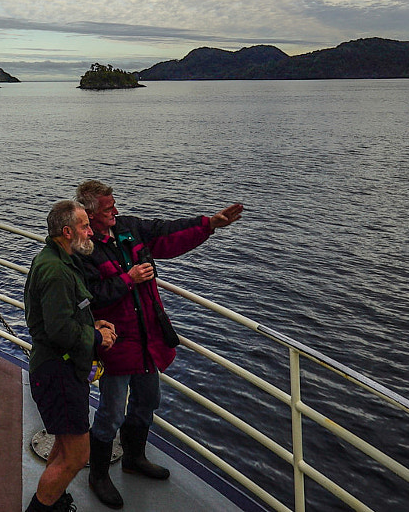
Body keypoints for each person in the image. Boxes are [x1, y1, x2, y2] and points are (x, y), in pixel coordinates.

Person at [74, 180, 244, 509]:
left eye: (114, 205)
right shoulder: (83, 247)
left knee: (148, 400)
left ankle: (134, 458)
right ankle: (98, 475)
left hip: (149, 340)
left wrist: (208, 224)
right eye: (109, 209)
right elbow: (90, 296)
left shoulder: (129, 229)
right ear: (91, 214)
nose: (116, 211)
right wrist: (129, 279)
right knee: (110, 413)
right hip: (117, 345)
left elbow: (167, 233)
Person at [24, 198, 118, 512]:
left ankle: (54, 499)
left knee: (65, 448)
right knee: (77, 456)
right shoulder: (55, 271)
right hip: (59, 375)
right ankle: (41, 507)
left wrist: (92, 323)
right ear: (67, 231)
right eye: (84, 226)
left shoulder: (60, 259)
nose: (91, 232)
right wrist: (96, 336)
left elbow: (67, 314)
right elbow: (59, 330)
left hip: (58, 371)